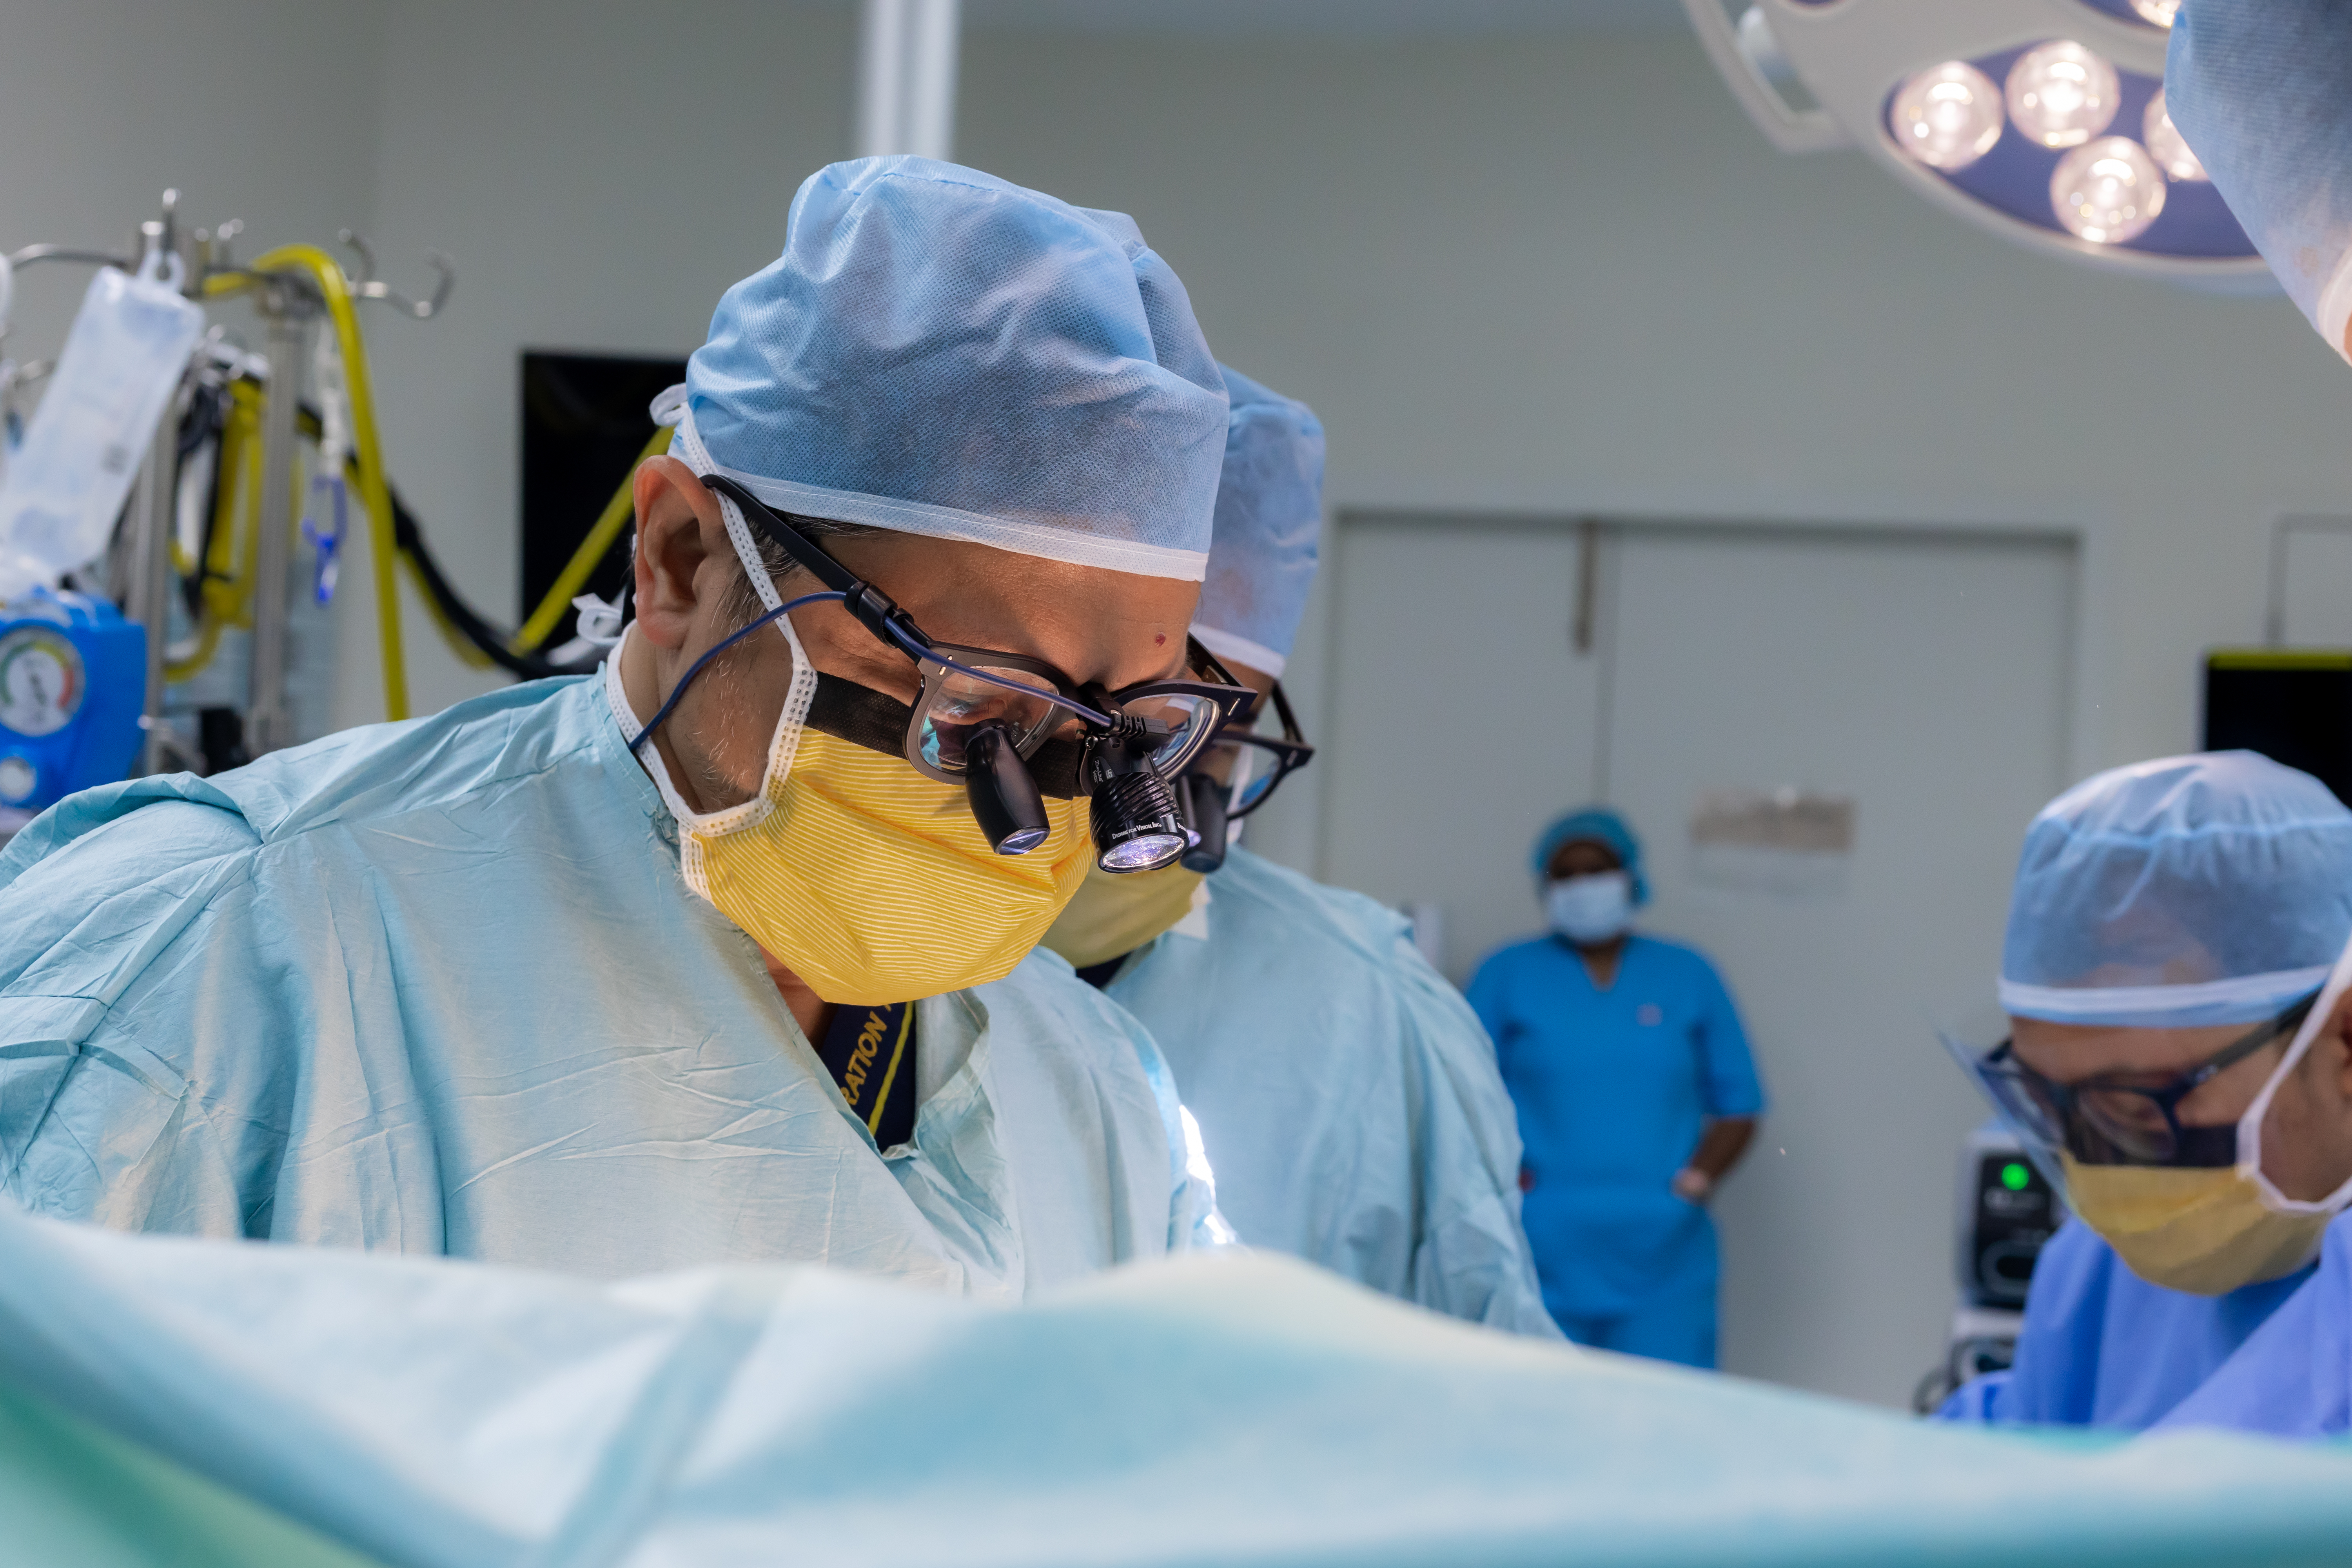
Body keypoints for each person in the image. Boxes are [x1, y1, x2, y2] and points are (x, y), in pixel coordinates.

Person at [0, 156, 1249, 1290]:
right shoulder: (216, 968)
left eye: (1124, 733)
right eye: (971, 707)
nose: (1041, 822)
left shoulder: (1093, 1097)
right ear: (679, 555)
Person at [1038, 366, 1555, 1334]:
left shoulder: (1365, 1009)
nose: (1151, 803)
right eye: (1137, 736)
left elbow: (1485, 1380)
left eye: (1216, 744)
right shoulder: (869, 962)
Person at [1938, 752, 2352, 1434]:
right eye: (2049, 1104)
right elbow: (2022, 1459)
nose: (2102, 1171)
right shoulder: (2096, 1275)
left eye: (2135, 1105)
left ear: (2343, 1039)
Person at [1466, 809, 1763, 1365]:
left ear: (1630, 877)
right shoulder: (1507, 974)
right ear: (1544, 887)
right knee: (1540, 1417)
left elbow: (1741, 1105)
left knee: (1664, 1418)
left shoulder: (1687, 974)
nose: (1583, 886)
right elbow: (1461, 1093)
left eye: (1597, 870)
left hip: (1663, 1249)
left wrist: (1693, 1185)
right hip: (1540, 1240)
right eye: (1566, 875)